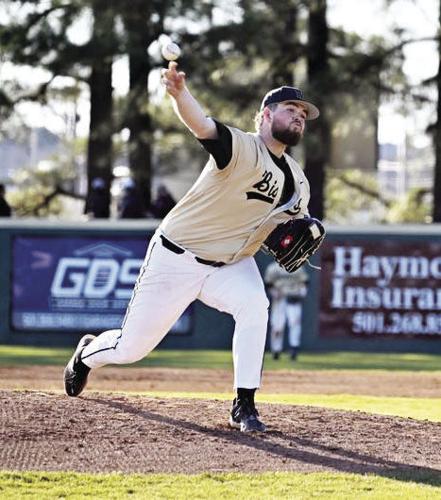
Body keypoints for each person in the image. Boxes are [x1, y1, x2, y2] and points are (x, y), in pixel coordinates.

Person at [64, 61, 319, 433]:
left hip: (231, 264)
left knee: (255, 306)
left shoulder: (298, 181)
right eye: (290, 110)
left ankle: (243, 404)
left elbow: (293, 227)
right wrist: (181, 93)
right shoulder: (241, 148)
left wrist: (301, 230)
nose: (298, 118)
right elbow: (202, 125)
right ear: (265, 115)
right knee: (131, 349)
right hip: (176, 256)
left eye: (302, 115)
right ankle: (86, 355)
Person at [264, 262, 309, 360]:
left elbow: (304, 283)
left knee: (294, 324)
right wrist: (274, 293)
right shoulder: (273, 268)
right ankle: (276, 350)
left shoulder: (297, 266)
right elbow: (269, 284)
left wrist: (301, 293)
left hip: (293, 299)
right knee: (277, 326)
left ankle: (294, 349)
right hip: (279, 300)